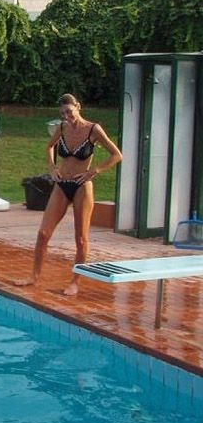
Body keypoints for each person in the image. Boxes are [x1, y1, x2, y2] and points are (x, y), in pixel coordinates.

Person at [16, 93, 122, 296]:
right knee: (43, 233)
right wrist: (52, 167)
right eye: (63, 113)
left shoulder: (93, 129)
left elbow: (117, 155)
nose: (67, 116)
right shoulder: (63, 127)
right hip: (62, 185)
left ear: (78, 107)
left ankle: (75, 282)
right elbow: (49, 146)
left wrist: (94, 171)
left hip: (82, 186)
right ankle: (33, 276)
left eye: (69, 112)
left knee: (80, 239)